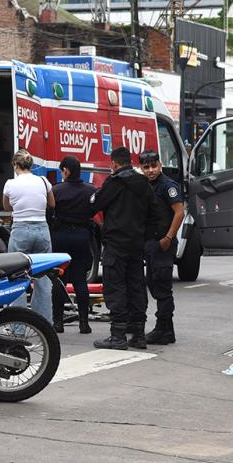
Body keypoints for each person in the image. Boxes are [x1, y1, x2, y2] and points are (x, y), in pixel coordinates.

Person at [90, 147, 156, 350]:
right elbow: (154, 212)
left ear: (114, 164)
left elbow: (94, 204)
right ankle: (138, 334)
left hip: (116, 244)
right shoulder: (144, 183)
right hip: (136, 245)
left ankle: (118, 335)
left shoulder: (114, 182)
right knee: (136, 287)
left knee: (115, 287)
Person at [3, 149, 56, 325]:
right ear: (31, 165)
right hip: (42, 229)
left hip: (20, 230)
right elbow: (52, 204)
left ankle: (18, 326)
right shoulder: (43, 181)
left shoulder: (10, 183)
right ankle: (44, 325)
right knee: (43, 277)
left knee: (16, 277)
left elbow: (7, 206)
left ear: (15, 165)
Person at [139, 150, 184, 346]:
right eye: (146, 167)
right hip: (150, 244)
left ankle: (163, 330)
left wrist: (168, 237)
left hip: (163, 243)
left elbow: (179, 212)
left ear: (160, 165)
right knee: (154, 284)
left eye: (153, 166)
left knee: (162, 286)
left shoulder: (168, 186)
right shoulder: (146, 186)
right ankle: (166, 329)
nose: (151, 170)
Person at [49, 156, 96, 334]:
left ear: (66, 171)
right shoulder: (90, 190)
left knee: (59, 281)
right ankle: (84, 323)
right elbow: (94, 209)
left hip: (60, 237)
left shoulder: (56, 190)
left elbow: (49, 211)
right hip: (82, 237)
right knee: (80, 281)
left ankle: (58, 322)